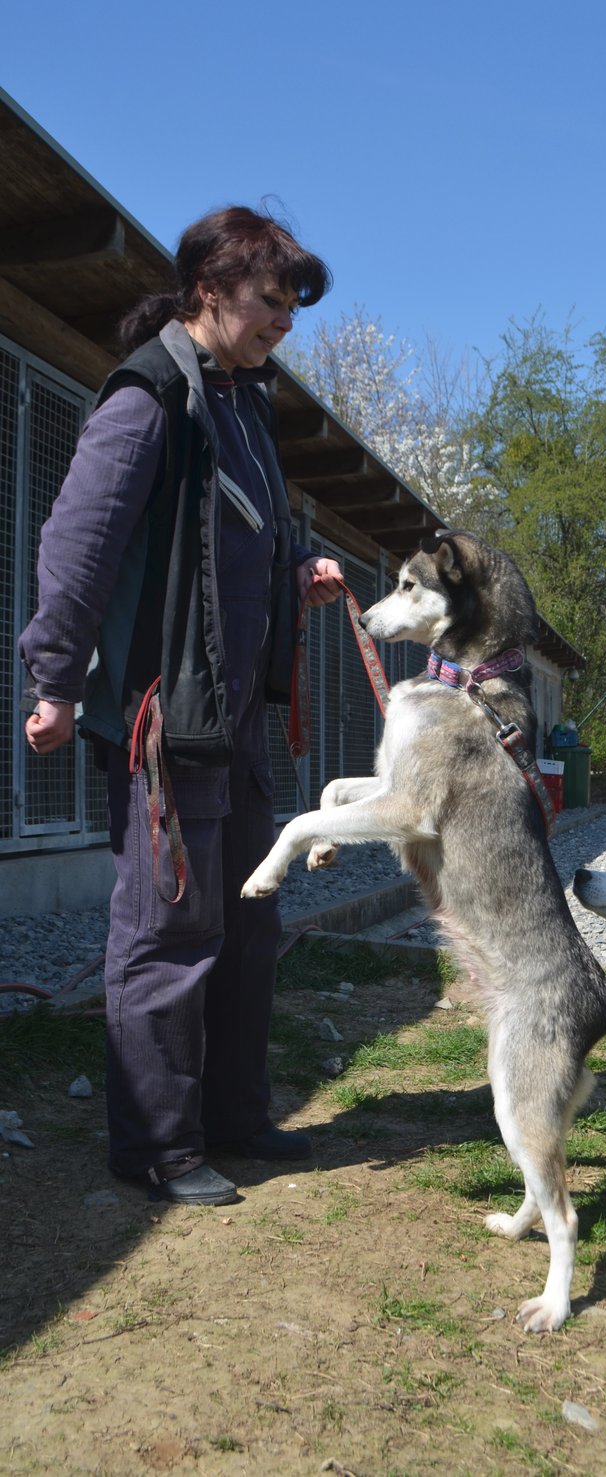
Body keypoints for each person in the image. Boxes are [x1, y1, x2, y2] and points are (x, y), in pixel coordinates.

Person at [20, 205, 344, 1206]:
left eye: (293, 305)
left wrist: (302, 564)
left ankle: (234, 1118)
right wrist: (54, 678)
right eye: (271, 299)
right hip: (169, 718)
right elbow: (77, 544)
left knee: (247, 923)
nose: (284, 320)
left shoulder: (245, 404)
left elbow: (244, 539)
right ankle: (156, 1145)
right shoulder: (151, 395)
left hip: (239, 718)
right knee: (168, 930)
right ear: (211, 287)